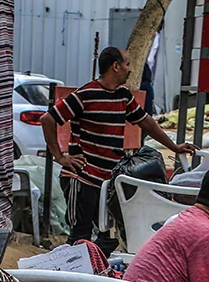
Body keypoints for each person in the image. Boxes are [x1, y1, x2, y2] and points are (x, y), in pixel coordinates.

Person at [40, 46, 197, 255]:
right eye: (127, 64)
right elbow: (48, 119)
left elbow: (147, 123)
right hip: (83, 177)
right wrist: (60, 156)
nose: (130, 69)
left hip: (109, 180)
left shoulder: (123, 96)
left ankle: (94, 273)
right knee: (80, 234)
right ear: (116, 66)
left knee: (109, 236)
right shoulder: (85, 95)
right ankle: (73, 280)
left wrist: (174, 147)